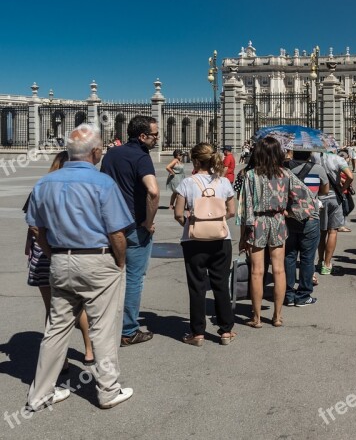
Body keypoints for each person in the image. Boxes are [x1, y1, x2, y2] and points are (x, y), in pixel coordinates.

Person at [25, 124, 134, 411]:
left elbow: (36, 228)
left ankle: (40, 395)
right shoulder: (103, 183)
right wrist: (119, 261)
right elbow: (117, 234)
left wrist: (51, 254)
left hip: (60, 259)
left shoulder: (44, 183)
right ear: (96, 151)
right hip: (97, 259)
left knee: (56, 328)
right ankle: (108, 390)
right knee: (104, 326)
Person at [24, 151, 94, 373]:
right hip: (65, 253)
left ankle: (59, 359)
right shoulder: (75, 189)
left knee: (52, 311)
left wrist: (33, 248)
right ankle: (89, 349)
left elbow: (32, 225)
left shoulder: (41, 187)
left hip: (42, 256)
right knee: (77, 306)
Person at [238, 137, 315, 328]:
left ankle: (256, 318)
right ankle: (277, 316)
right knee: (279, 269)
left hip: (257, 221)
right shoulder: (285, 174)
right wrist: (291, 212)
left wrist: (243, 235)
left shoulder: (250, 176)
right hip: (279, 221)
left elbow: (245, 207)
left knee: (257, 271)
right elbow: (307, 198)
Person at [100, 115, 160, 347]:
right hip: (134, 228)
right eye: (154, 135)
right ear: (142, 136)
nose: (157, 138)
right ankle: (128, 330)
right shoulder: (142, 157)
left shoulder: (112, 153)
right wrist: (148, 221)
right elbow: (153, 192)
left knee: (110, 276)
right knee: (134, 278)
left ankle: (104, 326)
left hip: (109, 226)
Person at [173, 143, 236, 346]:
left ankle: (197, 333)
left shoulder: (186, 183)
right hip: (221, 239)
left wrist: (190, 223)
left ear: (195, 161)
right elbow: (232, 212)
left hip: (193, 240)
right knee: (221, 284)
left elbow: (178, 213)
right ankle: (226, 331)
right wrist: (216, 220)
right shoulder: (224, 182)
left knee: (197, 286)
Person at [283, 149, 328, 306]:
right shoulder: (318, 169)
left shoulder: (284, 168)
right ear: (309, 154)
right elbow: (325, 190)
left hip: (288, 216)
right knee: (307, 258)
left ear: (293, 153)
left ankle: (288, 294)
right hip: (310, 216)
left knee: (288, 257)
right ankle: (303, 295)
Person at [316, 148, 353, 275]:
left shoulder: (314, 158)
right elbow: (350, 176)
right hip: (334, 197)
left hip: (319, 197)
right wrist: (343, 188)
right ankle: (327, 265)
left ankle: (320, 261)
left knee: (321, 232)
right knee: (333, 231)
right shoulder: (338, 159)